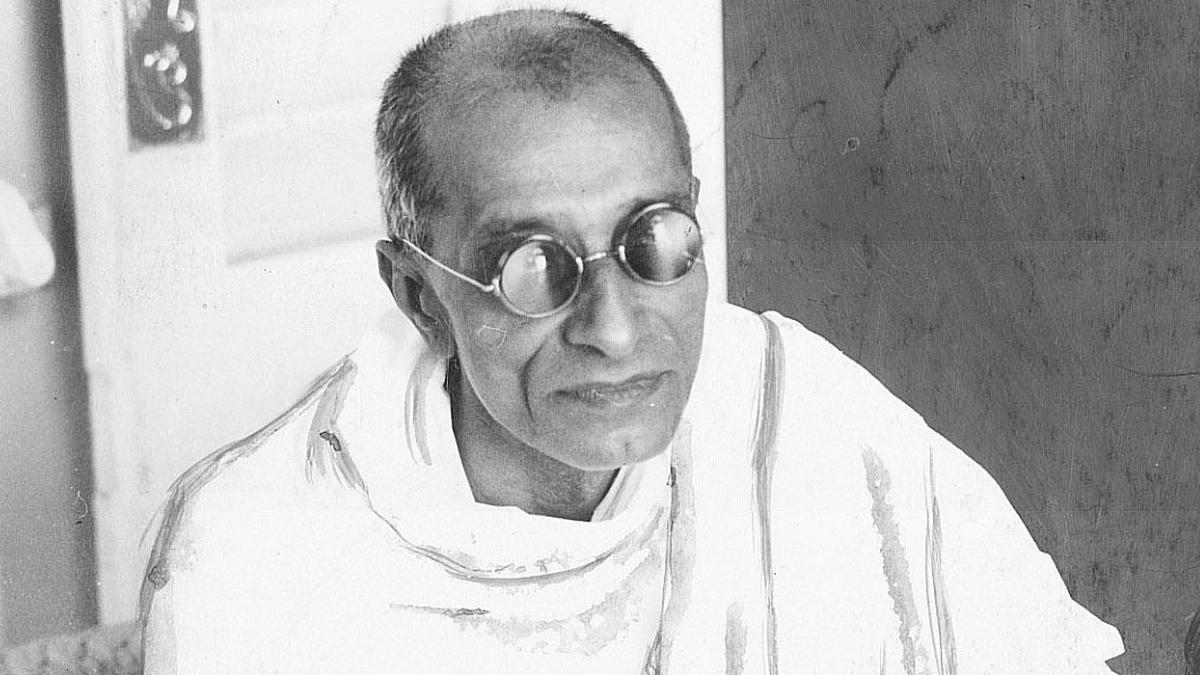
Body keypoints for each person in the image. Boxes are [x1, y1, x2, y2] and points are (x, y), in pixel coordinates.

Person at [138, 9, 1124, 674]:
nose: (613, 330)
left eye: (654, 240)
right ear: (419, 296)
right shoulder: (260, 551)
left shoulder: (799, 415)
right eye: (533, 266)